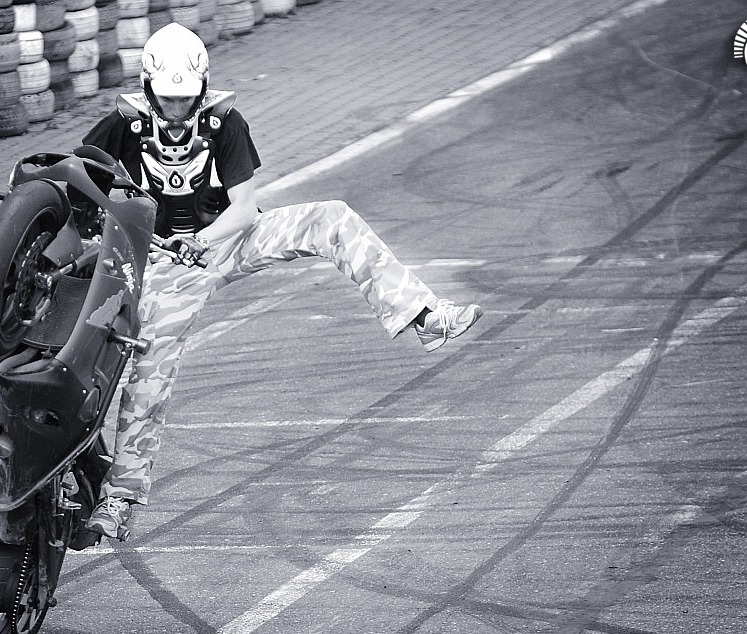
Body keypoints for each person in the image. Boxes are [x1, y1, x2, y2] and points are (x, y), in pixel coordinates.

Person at [83, 23, 482, 539]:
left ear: (202, 87)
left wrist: (202, 240)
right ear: (148, 87)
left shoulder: (225, 122)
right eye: (167, 99)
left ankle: (424, 317)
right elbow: (82, 184)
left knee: (331, 216)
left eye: (185, 99)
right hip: (162, 262)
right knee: (151, 366)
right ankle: (119, 498)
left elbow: (244, 208)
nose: (177, 111)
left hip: (224, 239)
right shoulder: (122, 124)